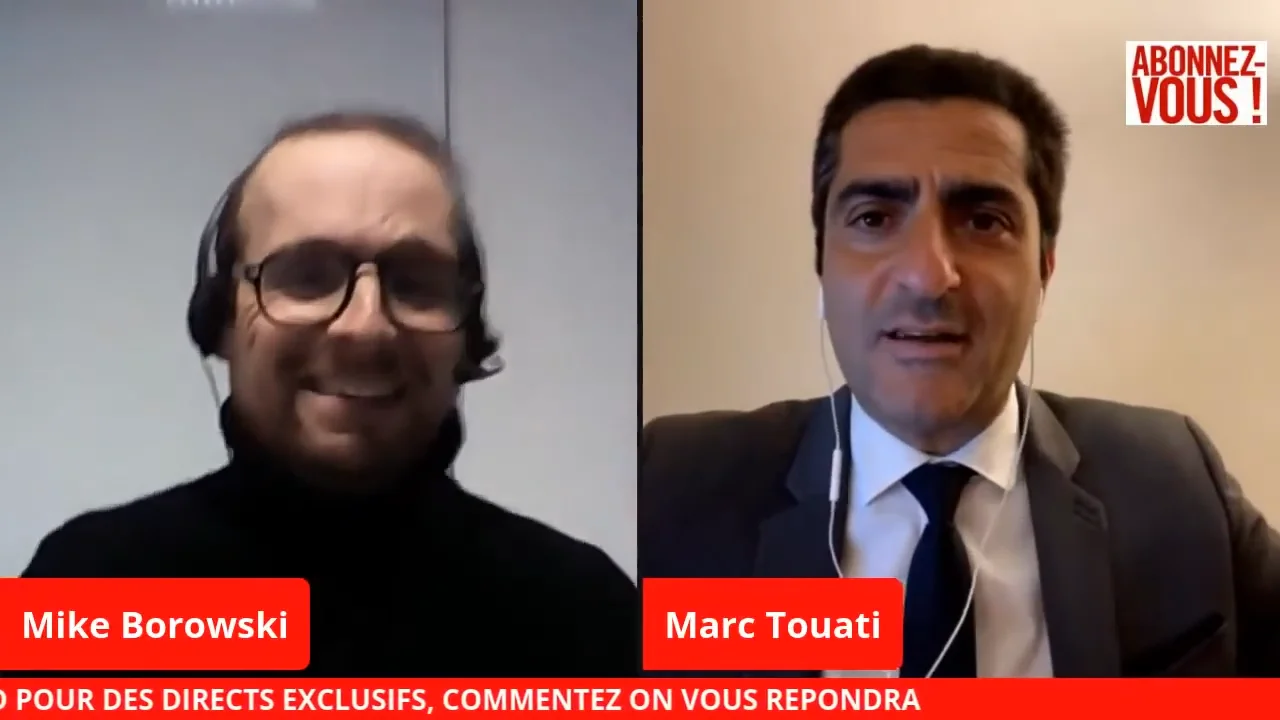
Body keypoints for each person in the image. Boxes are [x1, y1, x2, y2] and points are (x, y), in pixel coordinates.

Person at [639, 45, 1280, 678]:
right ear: (822, 264)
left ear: (1045, 268)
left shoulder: (1176, 483)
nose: (928, 275)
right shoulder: (674, 484)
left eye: (983, 221)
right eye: (873, 217)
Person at [23, 110, 639, 677]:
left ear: (466, 333)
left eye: (415, 282)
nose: (365, 327)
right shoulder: (91, 586)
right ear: (220, 319)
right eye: (307, 276)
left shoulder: (585, 611)